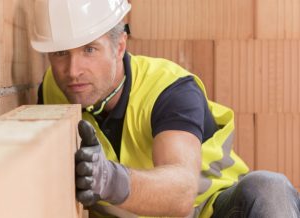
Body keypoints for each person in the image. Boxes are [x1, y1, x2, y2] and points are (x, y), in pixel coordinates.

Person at [30, 0, 300, 217]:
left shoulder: (170, 90)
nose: (73, 71)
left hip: (206, 210)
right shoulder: (54, 89)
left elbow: (181, 194)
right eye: (61, 53)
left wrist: (110, 179)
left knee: (269, 188)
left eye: (89, 50)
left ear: (119, 46)